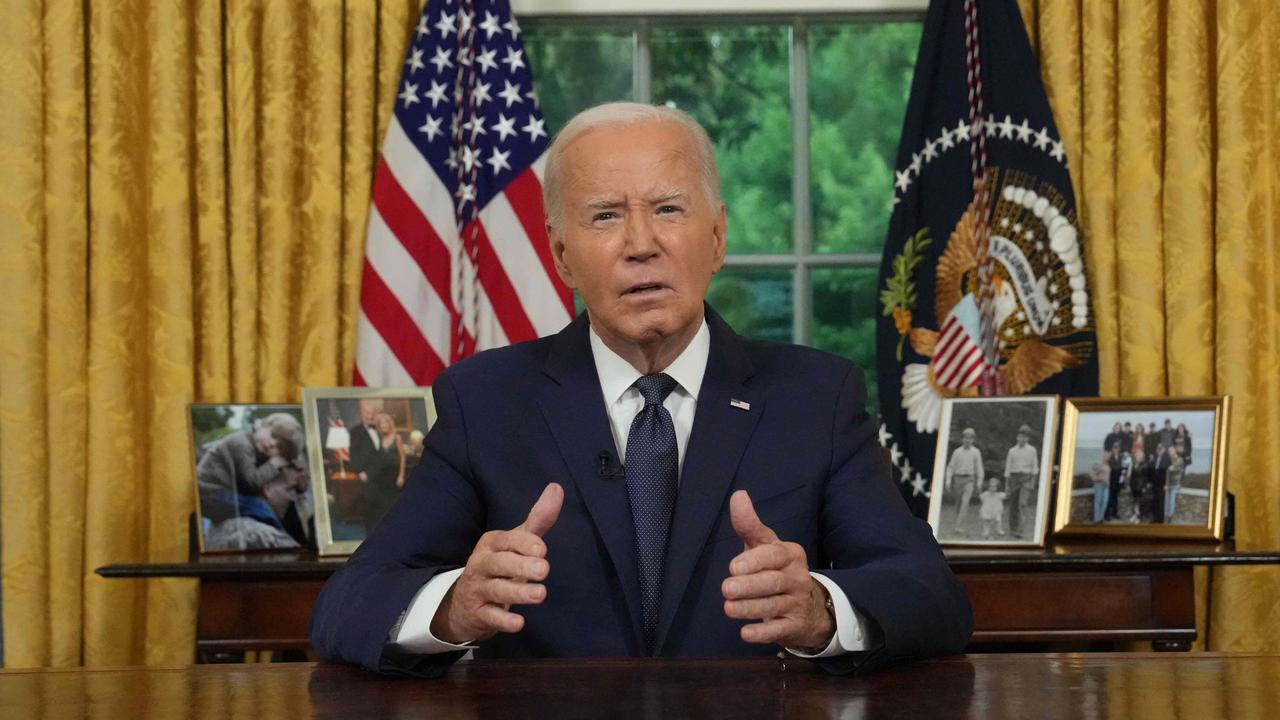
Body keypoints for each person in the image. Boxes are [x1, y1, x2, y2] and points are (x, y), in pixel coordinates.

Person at [309, 102, 971, 677]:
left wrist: (821, 610)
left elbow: (931, 597)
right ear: (561, 254)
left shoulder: (815, 395)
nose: (640, 244)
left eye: (667, 209)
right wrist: (454, 606)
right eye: (604, 216)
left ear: (716, 236)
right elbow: (347, 605)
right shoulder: (484, 401)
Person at [196, 413, 311, 550]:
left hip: (216, 495)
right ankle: (282, 536)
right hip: (208, 492)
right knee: (259, 506)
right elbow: (252, 482)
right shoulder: (241, 443)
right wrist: (275, 463)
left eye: (279, 447)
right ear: (261, 425)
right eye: (273, 436)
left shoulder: (254, 447)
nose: (272, 443)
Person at [360, 411, 407, 532]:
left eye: (386, 425)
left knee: (393, 502)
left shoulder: (397, 437)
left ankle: (395, 527)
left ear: (390, 425)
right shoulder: (379, 439)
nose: (384, 427)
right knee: (381, 503)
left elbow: (402, 457)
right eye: (381, 425)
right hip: (381, 476)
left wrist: (401, 475)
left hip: (394, 474)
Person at [945, 428, 985, 534]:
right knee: (958, 503)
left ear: (973, 440)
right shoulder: (957, 452)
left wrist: (979, 481)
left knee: (965, 502)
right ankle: (959, 522)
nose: (968, 441)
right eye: (966, 438)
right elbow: (951, 467)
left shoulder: (976, 452)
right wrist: (948, 480)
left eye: (970, 439)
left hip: (969, 480)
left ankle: (959, 526)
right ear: (962, 439)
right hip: (958, 479)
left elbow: (979, 468)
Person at [1002, 425, 1038, 538]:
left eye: (1025, 437)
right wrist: (1007, 485)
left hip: (1026, 479)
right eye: (1020, 437)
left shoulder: (1032, 450)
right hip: (1014, 478)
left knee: (1022, 503)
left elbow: (1034, 468)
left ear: (1028, 438)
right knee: (1013, 505)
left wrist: (1032, 482)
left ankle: (1020, 530)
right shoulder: (1012, 451)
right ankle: (1012, 529)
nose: (1022, 439)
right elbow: (1008, 469)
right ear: (1017, 437)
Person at [1164, 441, 1186, 521]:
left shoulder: (1179, 459)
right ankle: (1166, 515)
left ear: (1174, 451)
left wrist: (1173, 468)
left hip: (1175, 482)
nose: (1170, 452)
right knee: (1167, 500)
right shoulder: (1168, 459)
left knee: (1171, 500)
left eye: (1171, 450)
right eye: (1169, 451)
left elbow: (1179, 469)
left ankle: (1170, 516)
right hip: (1167, 482)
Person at [1091, 449, 1112, 523]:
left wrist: (1108, 483)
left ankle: (1101, 518)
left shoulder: (1108, 465)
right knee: (1098, 501)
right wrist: (1098, 479)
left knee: (1105, 501)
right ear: (1103, 456)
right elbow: (1092, 474)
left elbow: (1108, 476)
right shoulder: (1098, 464)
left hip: (1106, 485)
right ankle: (1097, 519)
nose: (1108, 457)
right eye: (1106, 456)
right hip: (1099, 485)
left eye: (1109, 456)